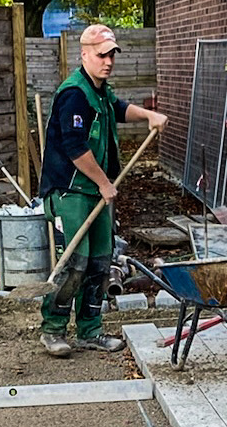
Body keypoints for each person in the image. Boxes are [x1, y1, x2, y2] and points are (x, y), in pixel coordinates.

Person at [38, 24, 168, 358]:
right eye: (101, 55)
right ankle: (52, 329)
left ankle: (89, 330)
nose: (107, 61)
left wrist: (148, 115)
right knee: (75, 262)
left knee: (99, 262)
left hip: (94, 190)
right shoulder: (74, 94)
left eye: (111, 54)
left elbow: (120, 107)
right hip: (71, 191)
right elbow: (75, 147)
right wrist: (103, 182)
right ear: (84, 55)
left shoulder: (100, 90)